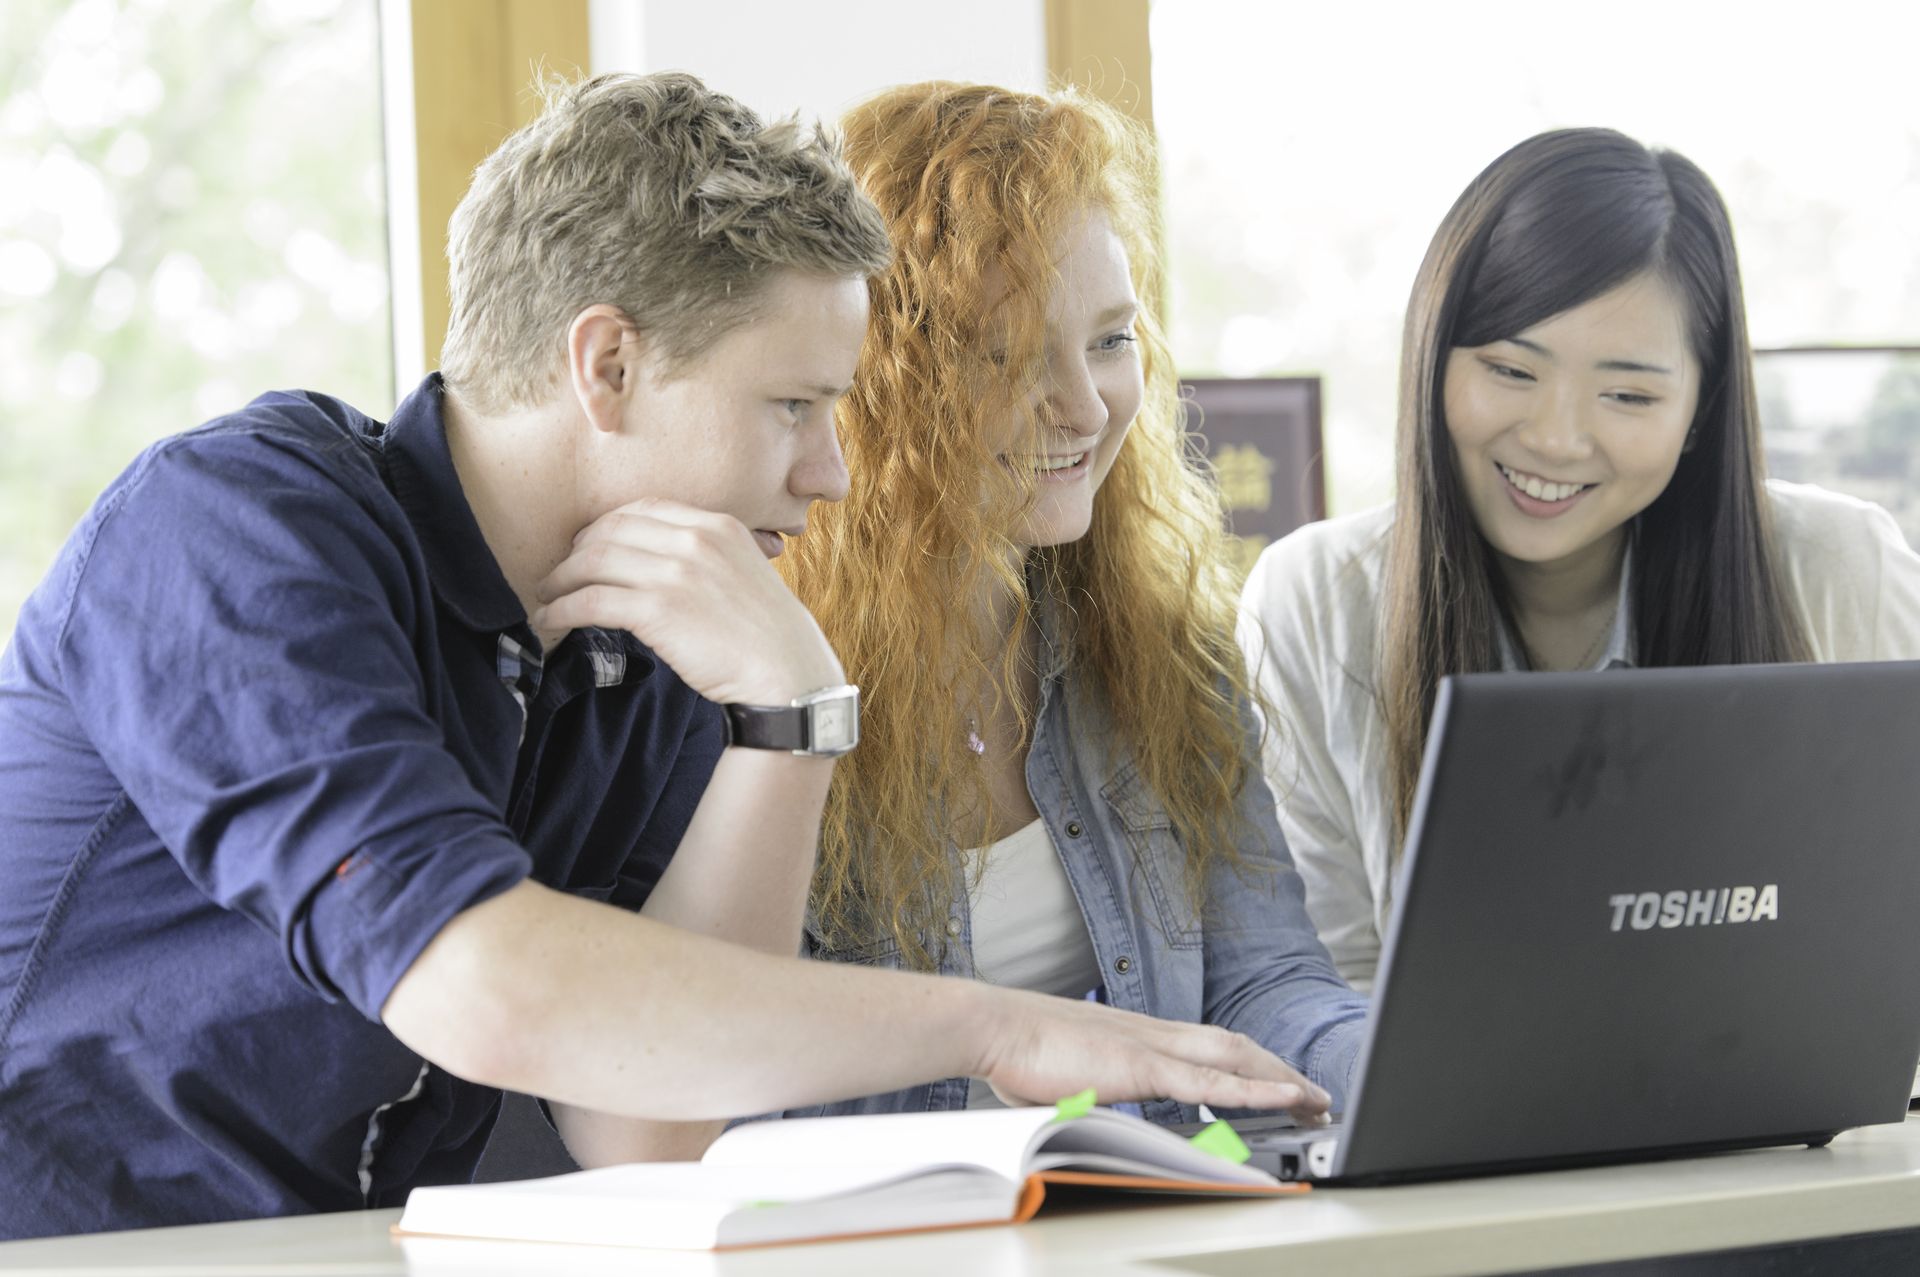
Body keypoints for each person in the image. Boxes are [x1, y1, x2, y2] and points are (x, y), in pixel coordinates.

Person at [0, 72, 1324, 1241]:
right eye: (794, 406)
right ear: (610, 366)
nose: (835, 469)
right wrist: (1004, 1024)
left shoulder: (652, 632)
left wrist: (791, 721)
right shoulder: (238, 531)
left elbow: (652, 1134)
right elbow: (481, 983)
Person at [643, 81, 1360, 1150]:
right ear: (872, 375)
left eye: (1111, 339)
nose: (1084, 403)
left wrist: (1403, 1062)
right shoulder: (721, 670)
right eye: (1010, 355)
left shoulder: (1164, 645)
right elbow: (689, 1078)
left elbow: (1263, 981)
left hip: (1126, 1225)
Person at [1238, 128, 1920, 991]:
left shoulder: (1839, 570)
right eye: (1510, 371)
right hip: (1464, 1124)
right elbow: (1336, 991)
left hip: (1814, 1124)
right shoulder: (1316, 601)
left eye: (1628, 394)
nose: (1556, 438)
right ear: (1432, 358)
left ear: (1701, 411)